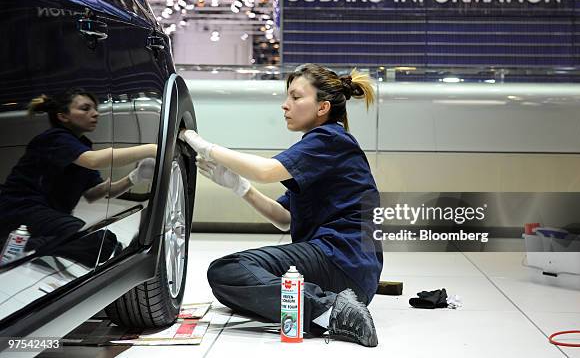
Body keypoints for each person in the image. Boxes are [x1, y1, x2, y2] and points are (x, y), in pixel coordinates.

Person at [180, 64, 383, 347]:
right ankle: (331, 308)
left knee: (228, 270)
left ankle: (330, 310)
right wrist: (240, 187)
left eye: (296, 97)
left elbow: (266, 171)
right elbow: (285, 218)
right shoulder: (324, 144)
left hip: (340, 258)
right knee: (232, 290)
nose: (285, 105)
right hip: (350, 271)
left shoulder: (328, 139)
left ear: (322, 107)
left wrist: (204, 146)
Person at [0, 88, 157, 266]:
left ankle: (25, 246)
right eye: (85, 108)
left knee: (106, 241)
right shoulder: (55, 138)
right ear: (63, 116)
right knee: (95, 242)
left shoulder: (80, 146)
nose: (95, 113)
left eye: (95, 109)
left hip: (45, 215)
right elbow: (94, 161)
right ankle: (19, 247)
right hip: (20, 209)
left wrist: (135, 177)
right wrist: (152, 149)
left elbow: (96, 193)